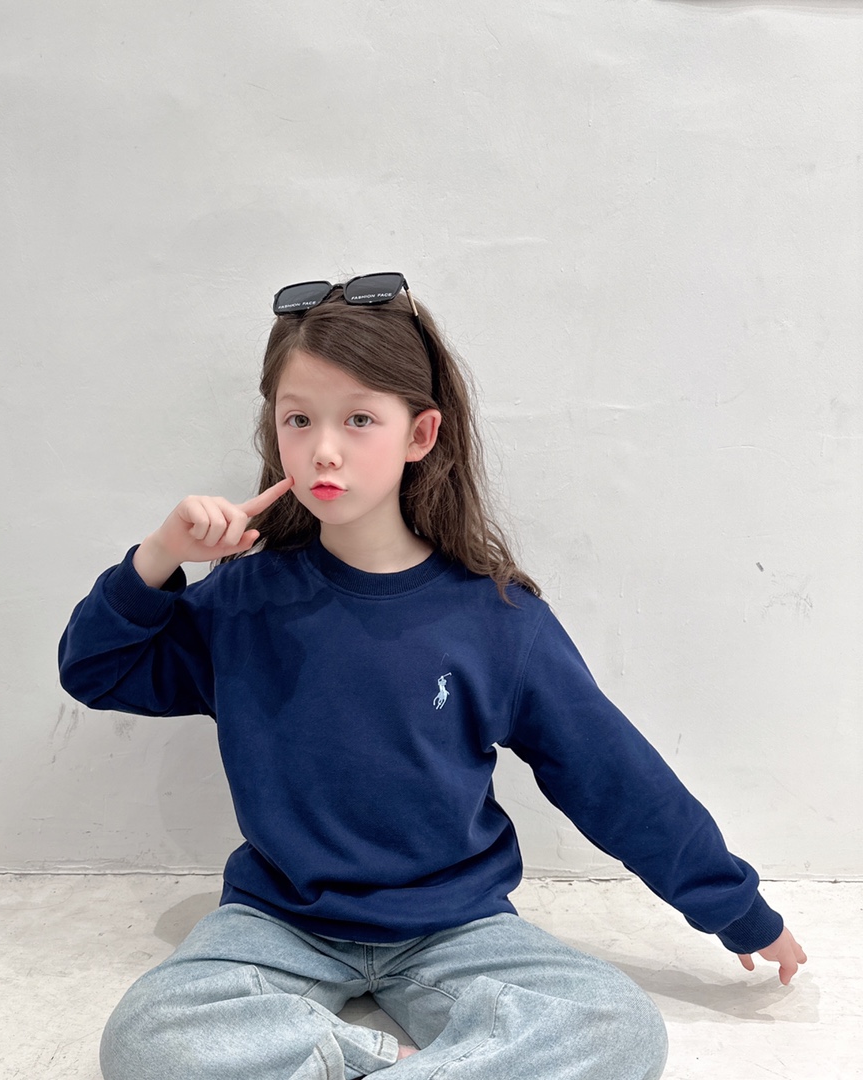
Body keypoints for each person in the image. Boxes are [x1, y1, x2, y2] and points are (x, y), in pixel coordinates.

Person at [59, 272, 806, 1080]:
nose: (324, 449)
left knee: (619, 1029)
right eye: (299, 419)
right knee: (146, 1037)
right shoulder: (243, 601)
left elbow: (613, 777)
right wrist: (159, 557)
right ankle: (400, 1063)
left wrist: (735, 907)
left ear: (420, 434)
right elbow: (96, 671)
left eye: (359, 419)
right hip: (276, 921)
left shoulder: (498, 619)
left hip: (456, 926)